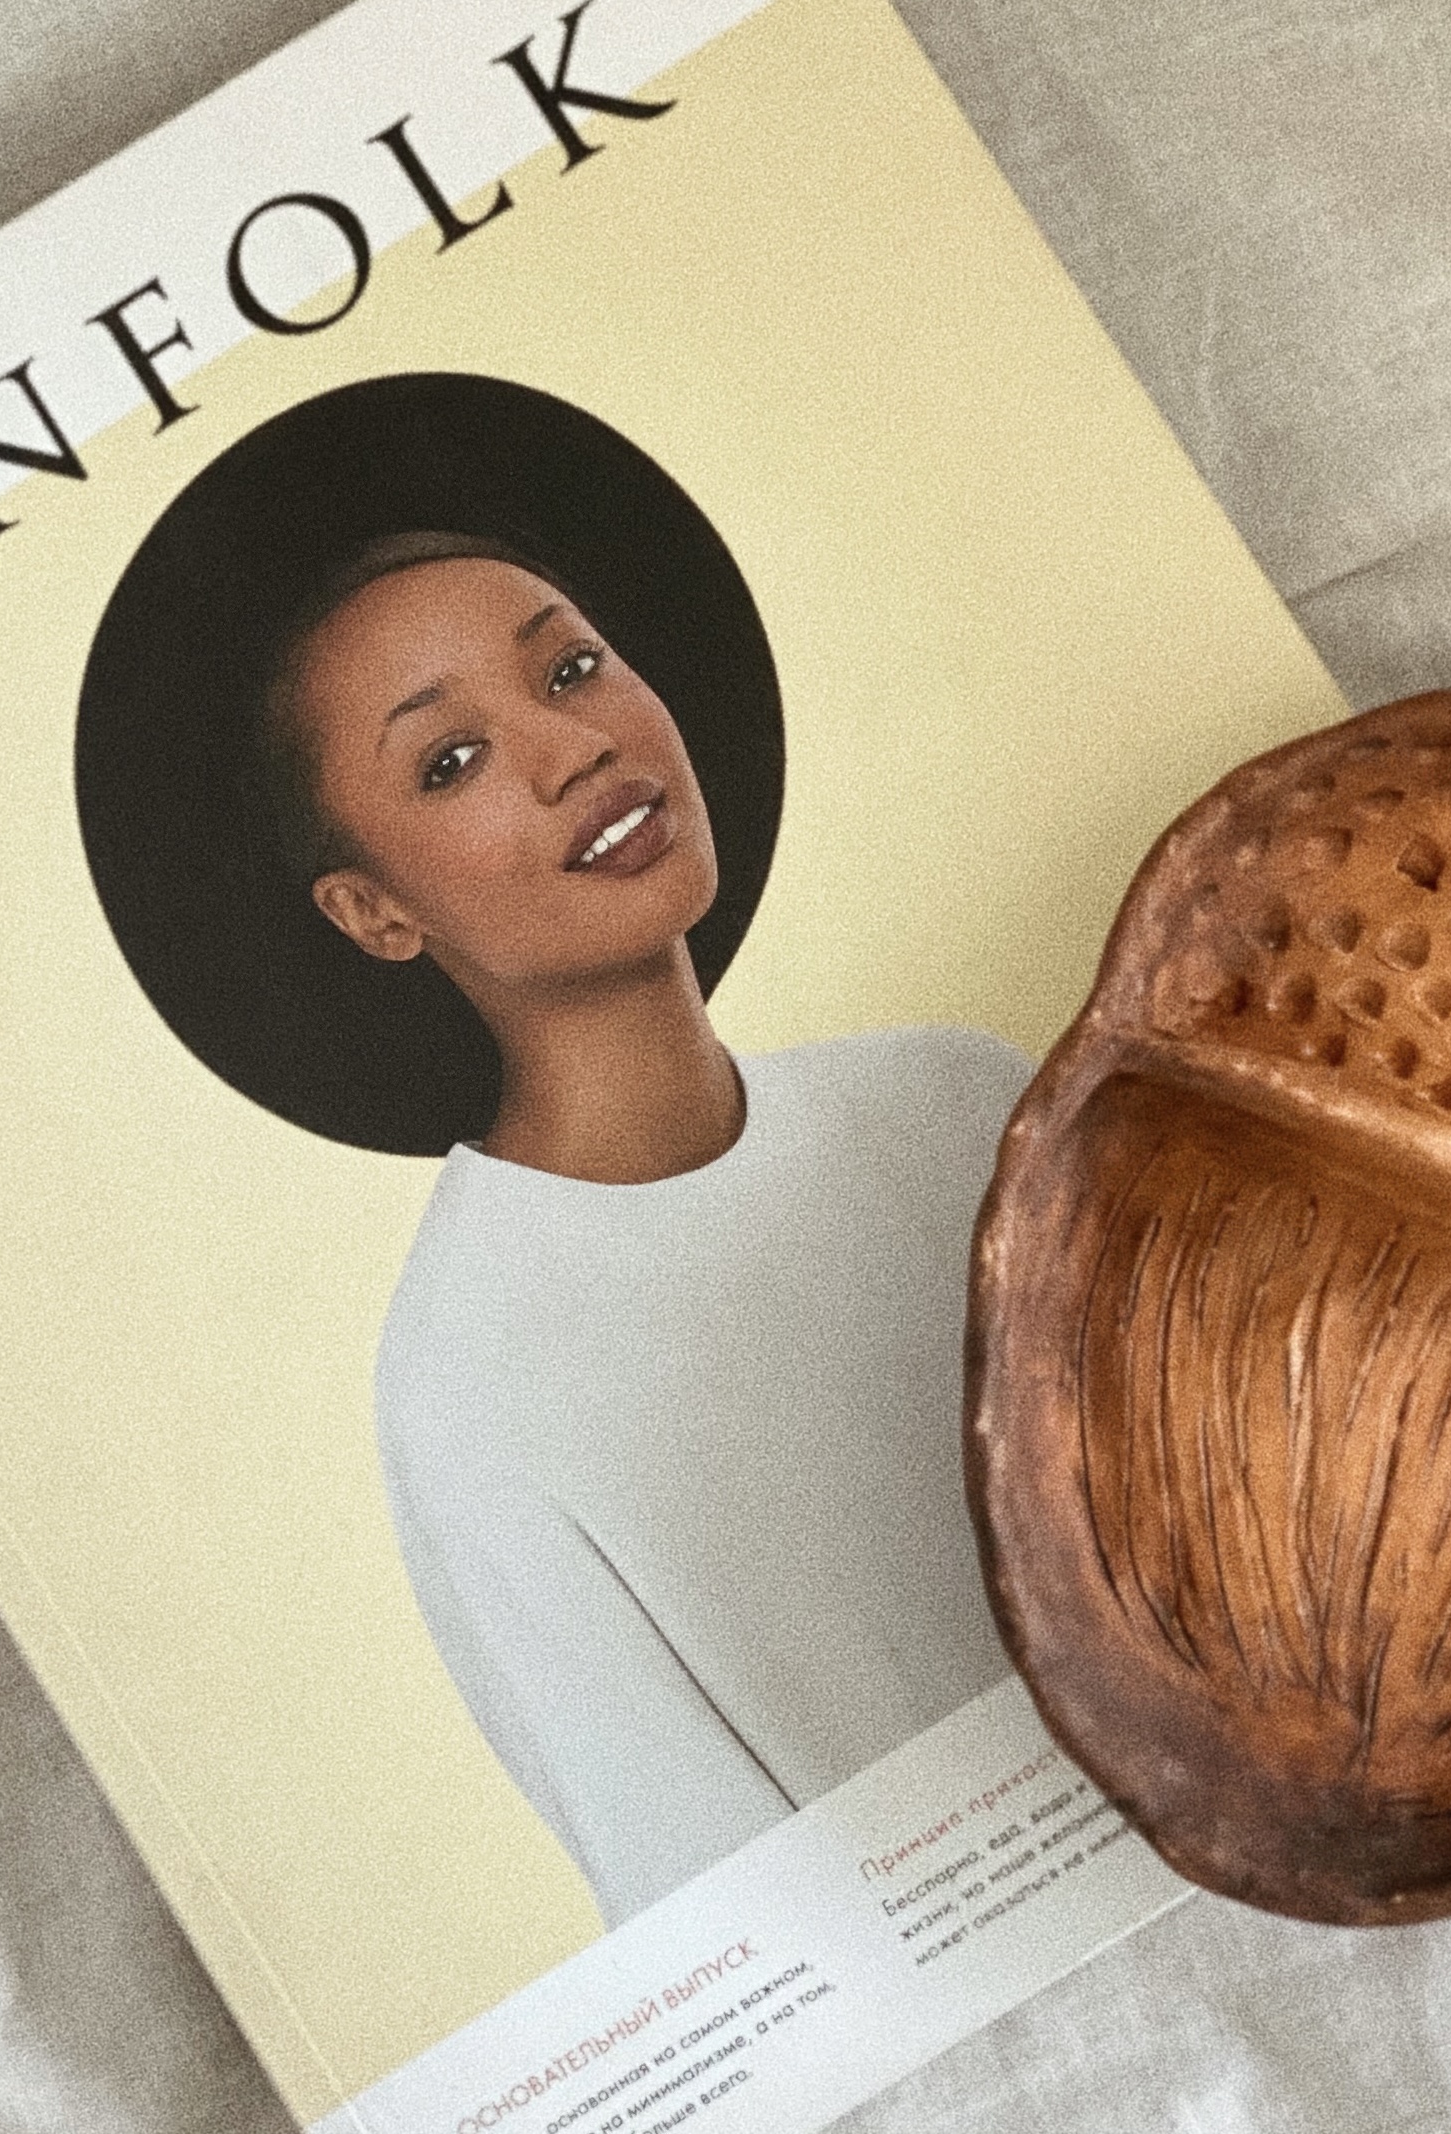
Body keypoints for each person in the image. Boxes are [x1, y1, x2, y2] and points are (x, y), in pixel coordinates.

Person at [262, 532, 1027, 1924]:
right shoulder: (466, 1391)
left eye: (570, 668)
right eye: (451, 761)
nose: (573, 748)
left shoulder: (961, 1101)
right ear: (375, 911)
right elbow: (729, 1932)